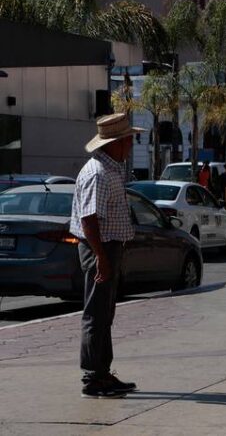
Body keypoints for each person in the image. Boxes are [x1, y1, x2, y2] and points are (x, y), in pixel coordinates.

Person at [69, 113, 143, 398]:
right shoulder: (98, 173)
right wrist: (101, 256)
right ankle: (92, 377)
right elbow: (89, 220)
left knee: (105, 313)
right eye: (127, 140)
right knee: (96, 313)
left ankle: (103, 372)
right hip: (99, 246)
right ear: (115, 143)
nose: (130, 146)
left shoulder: (110, 169)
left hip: (107, 246)